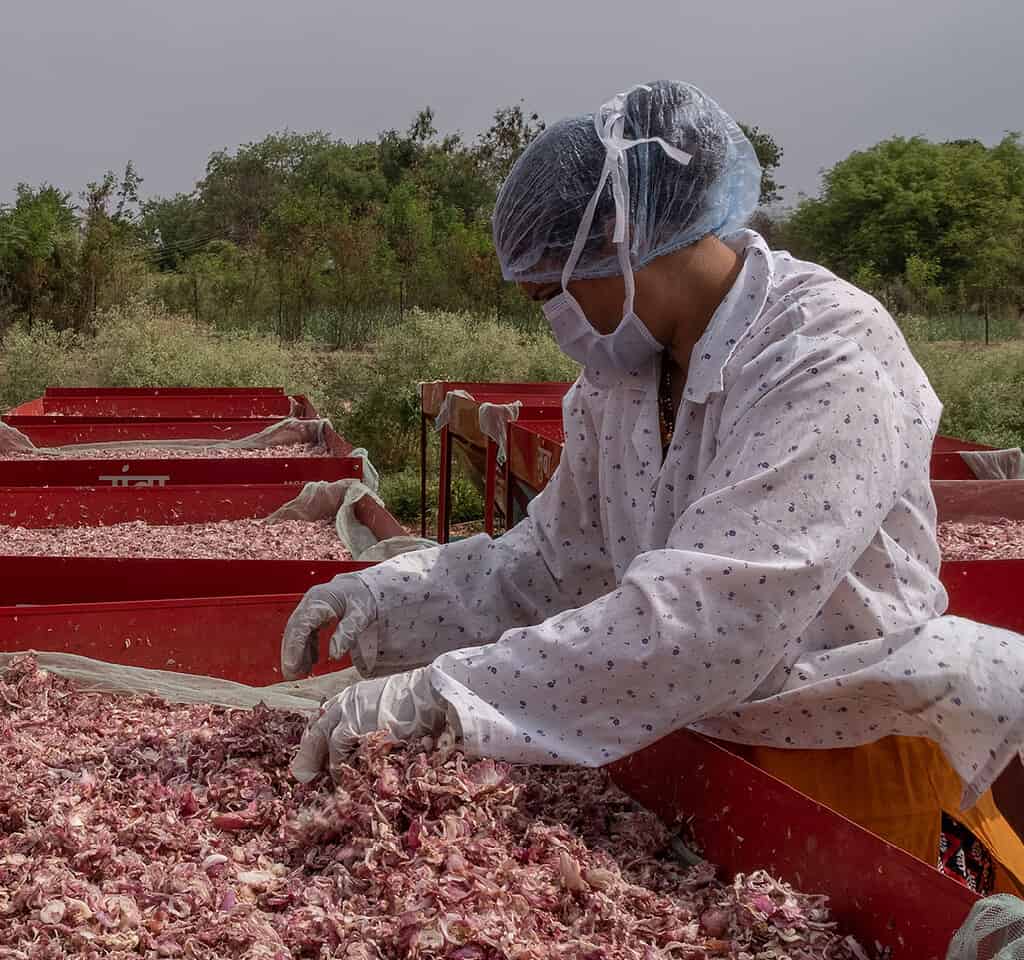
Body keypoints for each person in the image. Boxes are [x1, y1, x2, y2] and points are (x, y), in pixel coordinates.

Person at [281, 80, 1024, 895]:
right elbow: (556, 563)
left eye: (552, 294)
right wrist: (393, 598)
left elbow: (717, 614)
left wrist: (443, 695)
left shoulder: (825, 353)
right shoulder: (623, 378)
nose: (554, 320)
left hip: (852, 758)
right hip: (691, 738)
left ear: (627, 240)